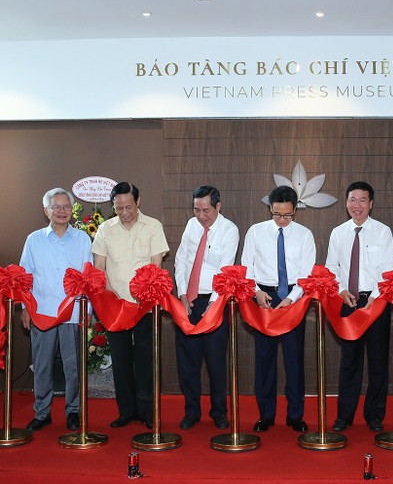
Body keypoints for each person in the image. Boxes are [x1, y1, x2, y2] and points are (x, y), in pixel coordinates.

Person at [92, 182, 169, 429]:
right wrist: (108, 292)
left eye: (128, 207)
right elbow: (98, 268)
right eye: (119, 208)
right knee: (121, 359)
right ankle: (126, 411)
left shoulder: (153, 226)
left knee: (146, 359)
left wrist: (147, 292)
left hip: (145, 305)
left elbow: (157, 267)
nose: (124, 212)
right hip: (116, 306)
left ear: (138, 201)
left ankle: (148, 411)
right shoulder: (105, 229)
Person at [241, 185, 315, 433]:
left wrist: (293, 298)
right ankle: (266, 415)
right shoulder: (255, 232)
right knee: (264, 360)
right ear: (270, 209)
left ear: (296, 210)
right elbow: (246, 267)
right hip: (265, 297)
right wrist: (256, 292)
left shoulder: (305, 235)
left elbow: (307, 274)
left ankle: (295, 415)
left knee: (294, 360)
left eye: (287, 215)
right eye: (276, 214)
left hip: (294, 298)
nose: (282, 220)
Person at [19, 188, 92, 432]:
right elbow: (25, 276)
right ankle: (42, 412)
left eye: (66, 207)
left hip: (72, 313)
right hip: (42, 312)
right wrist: (24, 308)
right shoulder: (34, 239)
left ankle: (73, 411)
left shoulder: (82, 239)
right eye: (56, 207)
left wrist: (87, 309)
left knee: (73, 366)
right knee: (42, 365)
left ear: (72, 210)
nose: (62, 211)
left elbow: (88, 276)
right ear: (46, 211)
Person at [326, 181, 393, 432]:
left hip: (376, 302)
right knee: (349, 361)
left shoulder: (383, 232)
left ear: (371, 204)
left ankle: (374, 415)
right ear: (346, 203)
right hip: (348, 301)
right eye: (353, 200)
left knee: (377, 362)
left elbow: (388, 269)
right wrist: (341, 290)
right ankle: (344, 416)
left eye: (363, 200)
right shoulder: (338, 233)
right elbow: (332, 267)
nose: (357, 205)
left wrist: (375, 299)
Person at [174, 185, 238, 430]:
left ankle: (219, 412)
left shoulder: (229, 230)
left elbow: (225, 269)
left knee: (215, 361)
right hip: (188, 300)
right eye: (196, 210)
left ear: (218, 207)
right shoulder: (191, 225)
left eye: (206, 210)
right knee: (187, 360)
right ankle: (191, 411)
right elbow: (181, 259)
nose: (201, 216)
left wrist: (212, 305)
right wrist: (182, 294)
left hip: (214, 302)